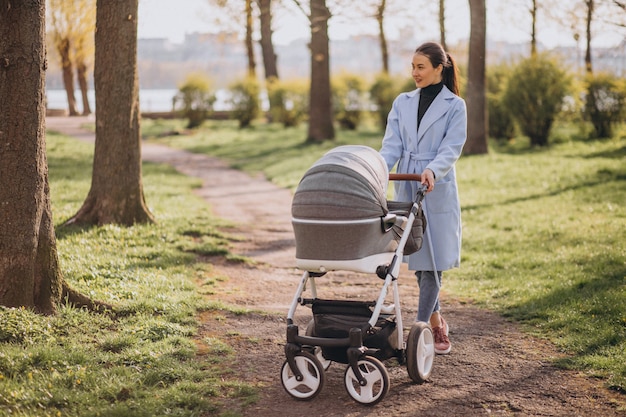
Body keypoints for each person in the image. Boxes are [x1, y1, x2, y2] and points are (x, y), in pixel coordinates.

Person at [379, 41, 467, 354]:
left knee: (433, 265)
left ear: (439, 68)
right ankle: (436, 323)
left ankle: (418, 332)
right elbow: (391, 145)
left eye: (421, 67)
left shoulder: (455, 106)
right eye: (413, 66)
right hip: (407, 182)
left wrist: (433, 169)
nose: (414, 72)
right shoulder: (402, 102)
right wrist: (377, 170)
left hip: (435, 184)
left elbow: (451, 148)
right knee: (419, 262)